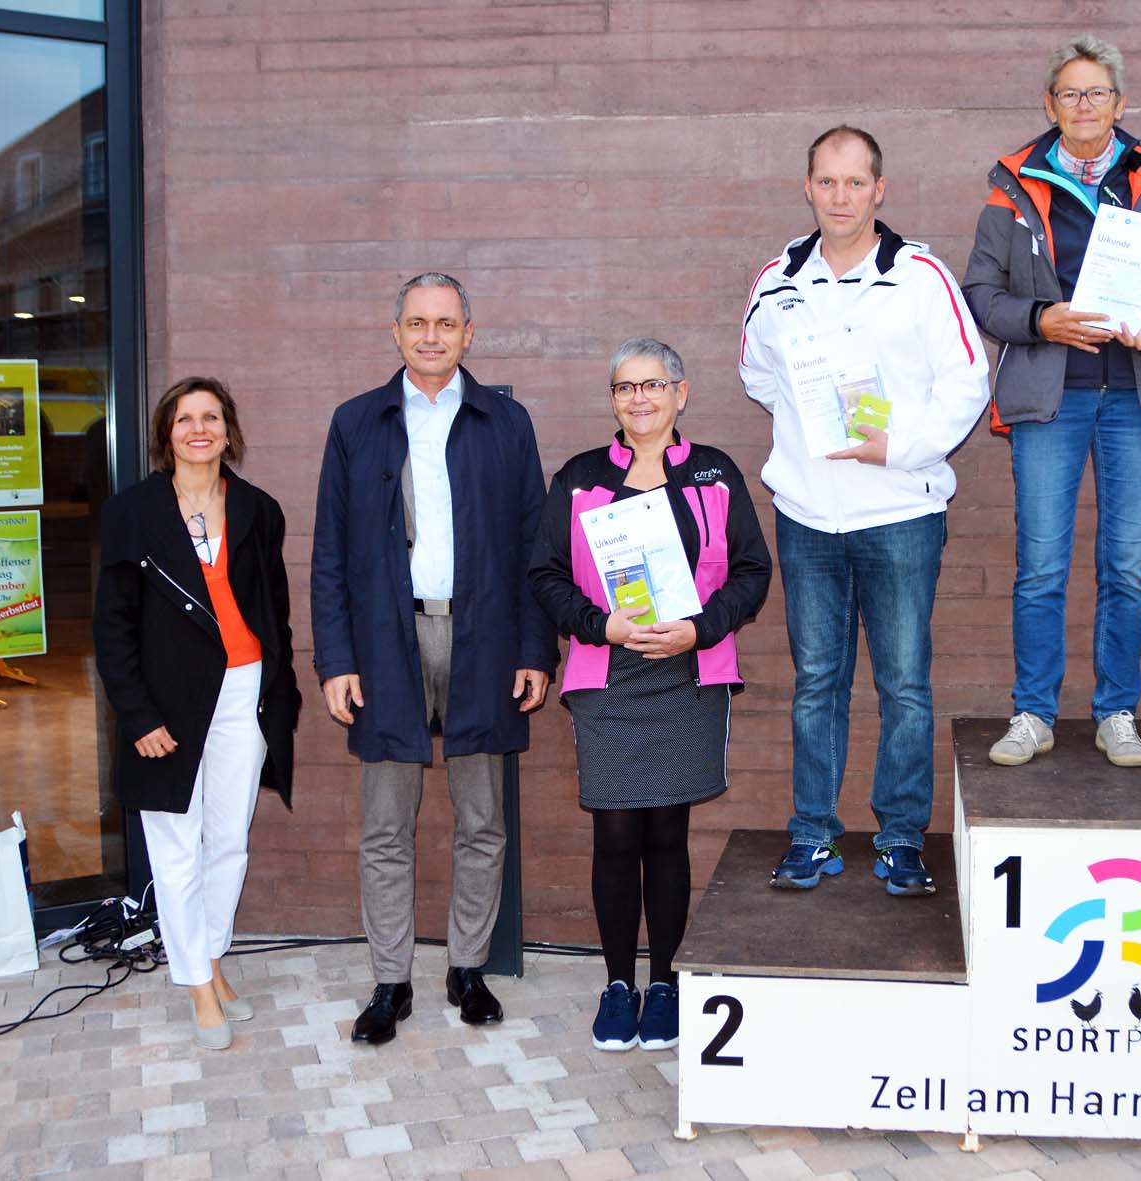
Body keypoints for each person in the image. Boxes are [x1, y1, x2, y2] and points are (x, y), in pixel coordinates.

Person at [740, 125, 991, 896]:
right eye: (827, 181)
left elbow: (968, 382)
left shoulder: (922, 277)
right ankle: (813, 832)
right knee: (817, 680)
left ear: (879, 189)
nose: (840, 196)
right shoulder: (776, 279)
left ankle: (903, 837)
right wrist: (810, 434)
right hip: (808, 517)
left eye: (855, 182)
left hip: (900, 514)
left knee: (905, 683)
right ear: (808, 187)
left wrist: (896, 446)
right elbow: (758, 375)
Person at [311, 272, 557, 1043]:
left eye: (445, 323)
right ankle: (391, 980)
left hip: (484, 641)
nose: (430, 335)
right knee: (387, 823)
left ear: (468, 333)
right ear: (396, 332)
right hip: (388, 643)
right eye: (417, 322)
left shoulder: (506, 422)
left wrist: (534, 646)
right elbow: (329, 553)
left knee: (482, 819)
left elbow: (535, 545)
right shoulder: (357, 422)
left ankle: (467, 967)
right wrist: (336, 659)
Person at [964, 33, 1141, 770]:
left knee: (1126, 566)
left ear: (1118, 103)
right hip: (1052, 399)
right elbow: (981, 292)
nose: (1083, 105)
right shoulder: (1013, 184)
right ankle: (1034, 712)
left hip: (1134, 397)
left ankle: (1116, 712)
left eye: (1096, 93)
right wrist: (1044, 320)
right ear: (1050, 104)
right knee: (1041, 565)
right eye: (1069, 93)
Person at [529, 337, 771, 1052]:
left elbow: (753, 571)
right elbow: (544, 574)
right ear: (613, 399)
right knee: (614, 832)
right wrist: (598, 625)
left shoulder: (714, 473)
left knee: (668, 833)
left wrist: (698, 631)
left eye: (653, 384)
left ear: (680, 393)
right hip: (609, 676)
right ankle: (617, 985)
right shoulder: (579, 479)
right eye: (625, 387)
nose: (639, 398)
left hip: (687, 674)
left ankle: (664, 982)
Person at [94, 377, 300, 1050]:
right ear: (167, 433)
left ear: (228, 430)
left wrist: (282, 694)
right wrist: (137, 715)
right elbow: (112, 627)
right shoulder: (132, 513)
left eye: (211, 417)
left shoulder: (258, 510)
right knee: (177, 846)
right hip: (167, 704)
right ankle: (196, 984)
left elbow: (275, 613)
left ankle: (210, 959)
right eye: (185, 418)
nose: (199, 428)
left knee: (229, 840)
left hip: (244, 693)